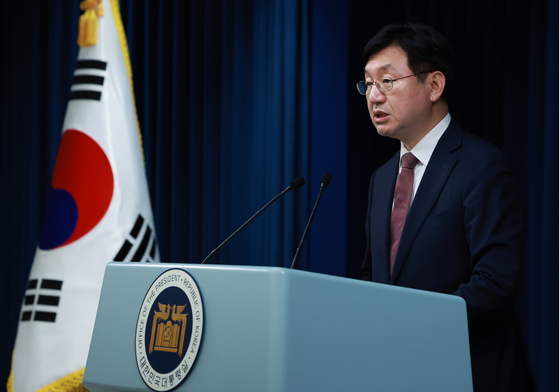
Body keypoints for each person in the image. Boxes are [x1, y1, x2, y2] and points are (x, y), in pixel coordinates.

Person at [358, 24, 537, 392]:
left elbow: (495, 285)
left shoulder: (482, 166)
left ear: (435, 86)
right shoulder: (382, 177)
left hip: (468, 372)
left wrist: (407, 322)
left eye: (387, 81)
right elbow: (373, 277)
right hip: (395, 373)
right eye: (368, 84)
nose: (374, 97)